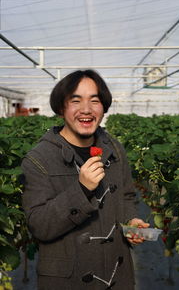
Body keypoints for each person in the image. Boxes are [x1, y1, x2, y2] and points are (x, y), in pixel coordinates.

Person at [21, 69, 149, 290]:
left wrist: (132, 221)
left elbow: (127, 197)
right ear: (61, 107)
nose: (86, 110)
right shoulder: (38, 159)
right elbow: (39, 225)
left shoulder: (114, 149)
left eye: (95, 100)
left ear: (104, 107)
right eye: (76, 100)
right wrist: (81, 190)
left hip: (117, 275)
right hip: (68, 280)